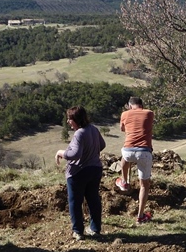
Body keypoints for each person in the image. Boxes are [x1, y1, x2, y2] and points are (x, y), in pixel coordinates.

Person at [56, 106, 106, 241]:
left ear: (76, 119)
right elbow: (102, 145)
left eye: (69, 119)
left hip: (79, 172)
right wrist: (91, 152)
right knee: (93, 199)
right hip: (95, 169)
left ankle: (78, 231)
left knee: (75, 201)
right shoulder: (93, 129)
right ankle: (95, 229)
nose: (68, 122)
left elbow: (75, 154)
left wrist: (61, 153)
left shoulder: (79, 133)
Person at [116, 96, 154, 224]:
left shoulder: (125, 114)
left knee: (125, 158)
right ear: (141, 105)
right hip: (144, 152)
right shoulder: (149, 113)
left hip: (128, 150)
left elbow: (122, 129)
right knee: (144, 185)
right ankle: (140, 216)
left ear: (129, 105)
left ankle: (124, 181)